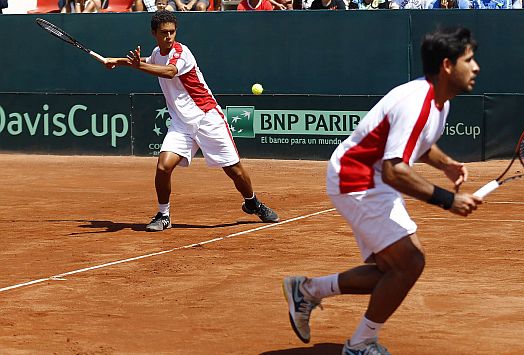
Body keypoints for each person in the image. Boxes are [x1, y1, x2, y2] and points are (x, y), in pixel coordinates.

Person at [282, 26, 482, 354]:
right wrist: (449, 201)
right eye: (469, 60)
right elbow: (395, 171)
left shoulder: (439, 101)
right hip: (357, 178)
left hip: (369, 178)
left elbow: (418, 144)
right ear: (447, 65)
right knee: (409, 264)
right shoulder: (418, 101)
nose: (476, 68)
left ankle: (308, 291)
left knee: (392, 270)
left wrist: (445, 163)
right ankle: (360, 343)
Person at [103, 10, 279, 231]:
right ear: (154, 33)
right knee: (163, 166)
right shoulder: (157, 53)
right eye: (164, 32)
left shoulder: (182, 52)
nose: (169, 36)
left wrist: (138, 66)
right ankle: (163, 215)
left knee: (234, 170)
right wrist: (117, 61)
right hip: (181, 124)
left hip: (207, 118)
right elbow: (148, 61)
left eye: (172, 32)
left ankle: (252, 202)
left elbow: (168, 71)